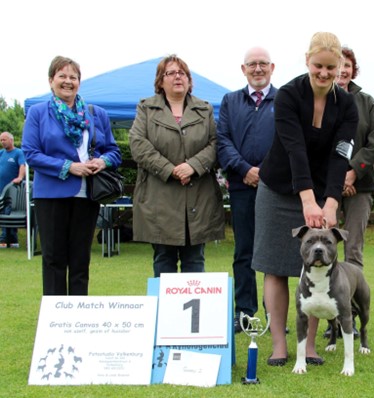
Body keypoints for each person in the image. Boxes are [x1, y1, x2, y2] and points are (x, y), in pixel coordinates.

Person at [251, 32, 358, 366]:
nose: (324, 74)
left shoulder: (348, 106)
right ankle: (280, 344)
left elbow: (341, 156)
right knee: (274, 266)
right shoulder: (288, 96)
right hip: (279, 185)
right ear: (307, 62)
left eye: (330, 67)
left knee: (316, 265)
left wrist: (331, 202)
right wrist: (308, 201)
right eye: (318, 66)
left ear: (340, 66)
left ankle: (308, 346)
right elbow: (295, 149)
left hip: (322, 190)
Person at [22, 56, 121, 295]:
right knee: (54, 261)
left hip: (87, 196)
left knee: (80, 261)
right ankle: (55, 321)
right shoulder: (38, 113)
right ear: (51, 81)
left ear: (79, 81)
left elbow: (114, 151)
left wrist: (102, 161)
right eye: (62, 76)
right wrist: (69, 166)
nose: (68, 82)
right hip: (51, 195)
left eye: (73, 77)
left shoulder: (96, 114)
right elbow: (31, 153)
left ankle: (78, 321)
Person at [129, 55, 225, 276]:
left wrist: (193, 166)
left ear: (189, 80)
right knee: (163, 260)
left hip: (198, 199)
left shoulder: (205, 109)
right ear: (160, 81)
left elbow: (215, 143)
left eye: (182, 73)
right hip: (159, 198)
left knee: (195, 260)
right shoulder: (145, 108)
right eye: (170, 73)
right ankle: (164, 311)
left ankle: (193, 310)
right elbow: (137, 144)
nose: (177, 77)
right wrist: (170, 170)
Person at [323, 47, 374, 339]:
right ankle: (329, 316)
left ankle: (351, 312)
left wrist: (353, 171)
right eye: (339, 66)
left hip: (360, 184)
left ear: (353, 69)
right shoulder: (320, 100)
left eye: (348, 66)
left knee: (354, 249)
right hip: (328, 186)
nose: (343, 71)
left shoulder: (367, 102)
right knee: (325, 244)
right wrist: (337, 177)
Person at [217, 47, 277, 333]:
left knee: (272, 253)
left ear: (272, 67)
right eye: (251, 64)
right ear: (243, 69)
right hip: (241, 187)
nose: (257, 69)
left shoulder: (284, 100)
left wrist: (265, 172)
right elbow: (223, 140)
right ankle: (244, 312)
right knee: (244, 251)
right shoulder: (230, 101)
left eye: (262, 64)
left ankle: (274, 314)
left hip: (274, 189)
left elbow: (287, 141)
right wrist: (244, 169)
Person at [0, 131, 26, 248]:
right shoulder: (1, 153)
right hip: (1, 190)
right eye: (1, 140)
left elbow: (22, 166)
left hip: (12, 191)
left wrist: (20, 177)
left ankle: (6, 239)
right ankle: (11, 240)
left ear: (11, 140)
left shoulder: (18, 153)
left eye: (4, 139)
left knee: (8, 212)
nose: (2, 142)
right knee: (3, 212)